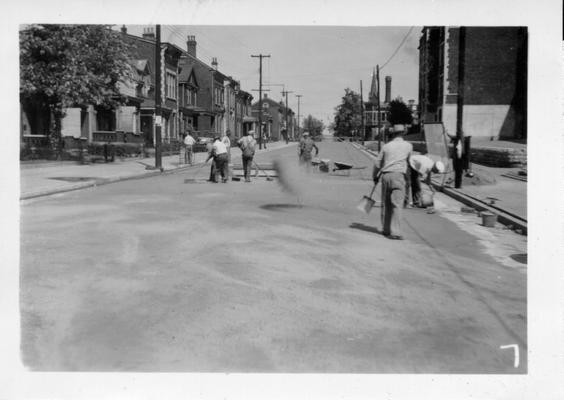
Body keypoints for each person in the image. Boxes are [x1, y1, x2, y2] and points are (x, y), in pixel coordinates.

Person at [373, 124, 413, 240]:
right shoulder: (408, 146)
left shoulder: (386, 146)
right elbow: (409, 162)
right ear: (403, 133)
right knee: (397, 204)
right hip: (399, 176)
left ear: (392, 133)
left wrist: (375, 177)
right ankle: (396, 232)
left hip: (386, 175)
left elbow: (377, 163)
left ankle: (386, 229)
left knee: (386, 204)